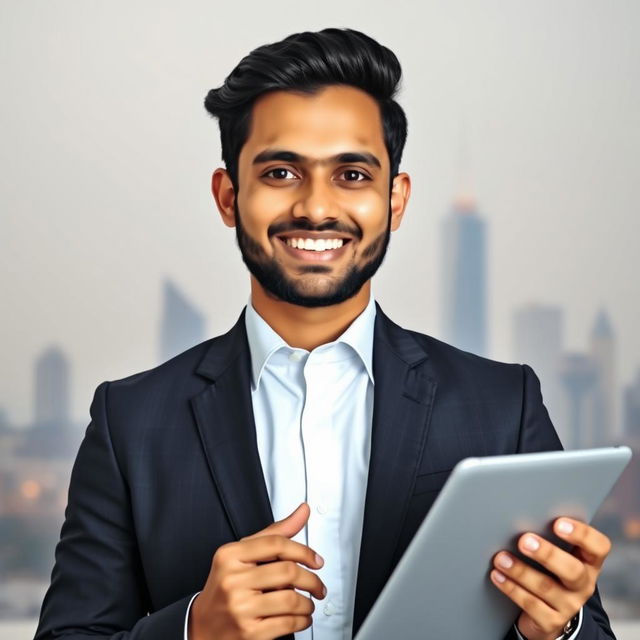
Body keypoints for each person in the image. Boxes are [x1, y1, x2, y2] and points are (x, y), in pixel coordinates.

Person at [34, 27, 616, 640]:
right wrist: (193, 629)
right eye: (282, 172)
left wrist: (556, 627)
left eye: (353, 175)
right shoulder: (131, 421)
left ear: (396, 200)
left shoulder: (503, 405)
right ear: (229, 196)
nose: (315, 207)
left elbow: (589, 632)